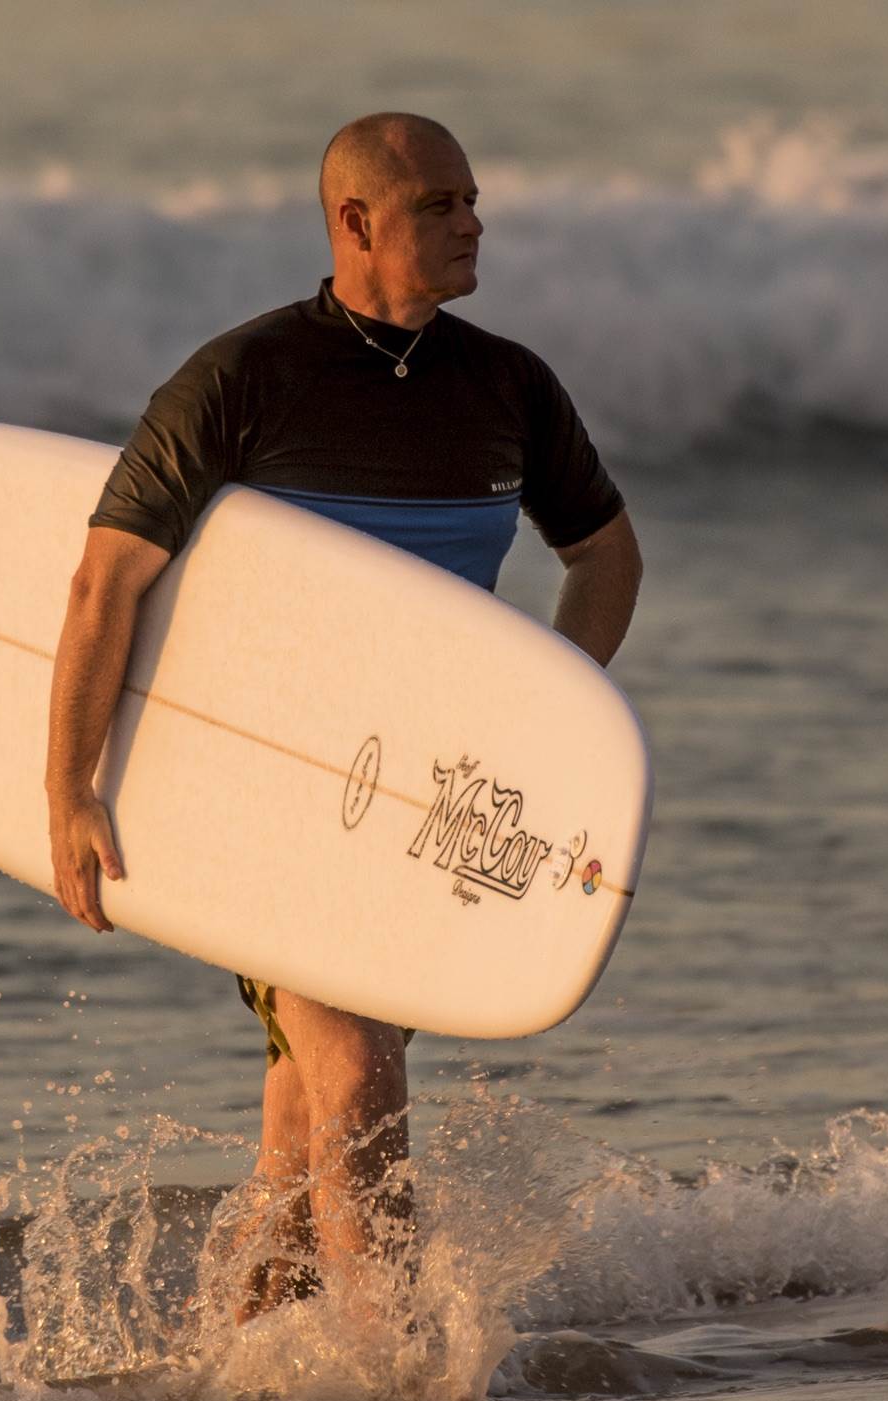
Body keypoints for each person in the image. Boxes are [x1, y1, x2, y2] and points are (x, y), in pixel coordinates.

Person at [43, 112, 642, 1319]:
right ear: (356, 222)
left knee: (304, 1117)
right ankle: (391, 1368)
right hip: (264, 787)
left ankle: (245, 1360)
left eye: (473, 201)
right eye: (439, 205)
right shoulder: (243, 380)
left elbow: (607, 557)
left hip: (419, 808)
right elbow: (108, 580)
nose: (472, 223)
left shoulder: (508, 385)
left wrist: (546, 708)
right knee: (357, 1065)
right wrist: (70, 788)